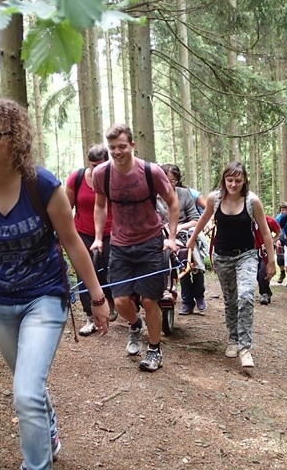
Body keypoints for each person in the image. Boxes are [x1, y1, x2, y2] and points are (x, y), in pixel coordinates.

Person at [0, 98, 110, 470]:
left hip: (44, 298)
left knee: (25, 393)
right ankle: (48, 428)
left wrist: (97, 297)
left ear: (14, 138)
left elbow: (72, 242)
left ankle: (37, 465)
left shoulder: (43, 185)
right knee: (28, 387)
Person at [91, 124, 179, 373]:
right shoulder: (102, 174)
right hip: (119, 244)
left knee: (150, 301)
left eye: (121, 146)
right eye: (112, 148)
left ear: (132, 145)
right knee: (120, 301)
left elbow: (172, 203)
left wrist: (171, 238)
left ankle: (154, 350)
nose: (117, 152)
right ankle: (134, 324)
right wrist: (98, 237)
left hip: (150, 242)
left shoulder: (150, 172)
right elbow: (100, 206)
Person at [186, 161, 275, 368]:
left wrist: (271, 261)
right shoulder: (214, 199)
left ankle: (245, 348)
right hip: (222, 257)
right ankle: (233, 339)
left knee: (245, 297)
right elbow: (203, 219)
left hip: (246, 255)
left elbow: (264, 232)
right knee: (231, 301)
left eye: (238, 180)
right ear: (224, 180)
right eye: (230, 180)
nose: (233, 184)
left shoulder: (252, 201)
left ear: (244, 181)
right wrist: (192, 239)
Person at [66, 144, 118, 336]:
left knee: (110, 271)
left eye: (101, 165)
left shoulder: (114, 178)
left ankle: (110, 303)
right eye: (93, 165)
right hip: (82, 231)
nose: (96, 169)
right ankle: (90, 316)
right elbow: (66, 207)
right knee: (85, 273)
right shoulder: (76, 178)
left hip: (111, 232)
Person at [159, 164, 207, 315]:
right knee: (171, 257)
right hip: (162, 234)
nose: (168, 184)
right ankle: (183, 299)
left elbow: (195, 219)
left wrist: (180, 227)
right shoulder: (154, 197)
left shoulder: (184, 194)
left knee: (187, 257)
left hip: (185, 233)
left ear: (177, 181)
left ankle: (198, 295)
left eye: (172, 181)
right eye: (164, 180)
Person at [257, 215, 281, 305]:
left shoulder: (269, 220)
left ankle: (265, 294)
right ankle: (266, 291)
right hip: (252, 250)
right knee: (256, 273)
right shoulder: (247, 220)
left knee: (263, 271)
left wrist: (270, 242)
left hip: (266, 250)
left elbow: (279, 234)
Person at [275, 202, 287, 286]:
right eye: (282, 210)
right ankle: (282, 273)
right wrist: (276, 239)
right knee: (279, 258)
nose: (284, 212)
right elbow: (275, 229)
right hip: (281, 239)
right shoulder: (278, 218)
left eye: (286, 210)